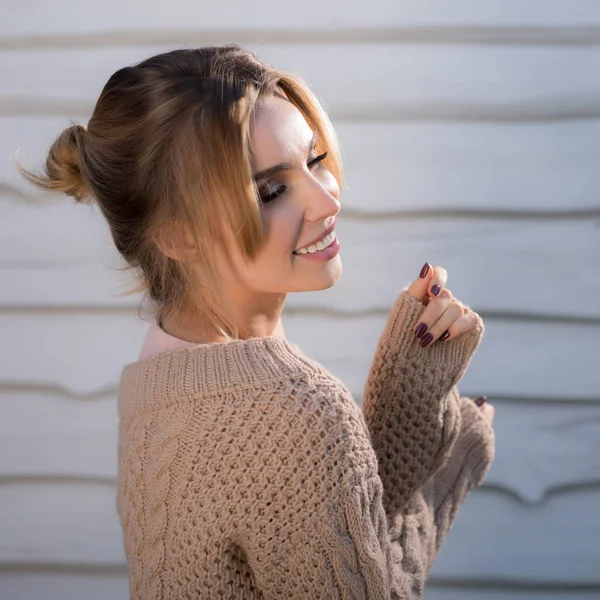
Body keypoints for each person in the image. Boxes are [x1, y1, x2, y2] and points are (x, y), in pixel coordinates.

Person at [20, 44, 495, 599]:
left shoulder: (156, 383)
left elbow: (303, 528)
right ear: (177, 235)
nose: (324, 201)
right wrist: (448, 472)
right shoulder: (297, 410)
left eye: (315, 160)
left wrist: (398, 416)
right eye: (271, 191)